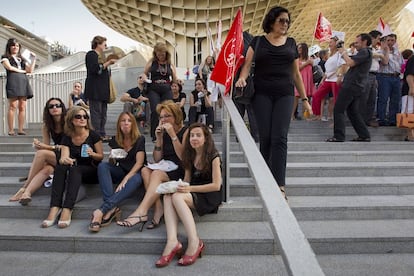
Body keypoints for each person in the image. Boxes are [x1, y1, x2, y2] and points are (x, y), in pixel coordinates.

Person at [235, 6, 312, 200]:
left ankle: (279, 185)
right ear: (271, 21)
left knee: (280, 138)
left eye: (287, 21)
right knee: (267, 137)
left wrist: (305, 100)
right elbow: (246, 66)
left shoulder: (292, 43)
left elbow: (296, 74)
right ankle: (265, 178)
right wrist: (242, 78)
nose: (285, 24)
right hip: (261, 94)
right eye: (281, 20)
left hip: (285, 94)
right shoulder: (258, 41)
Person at [155, 123, 222, 267]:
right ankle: (172, 241)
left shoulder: (214, 156)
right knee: (168, 196)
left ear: (206, 138)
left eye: (198, 135)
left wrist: (189, 188)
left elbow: (216, 185)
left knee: (178, 197)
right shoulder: (189, 156)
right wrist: (177, 186)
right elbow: (186, 180)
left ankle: (195, 241)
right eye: (192, 135)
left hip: (209, 195)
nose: (194, 138)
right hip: (193, 191)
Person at [117, 100, 187, 231]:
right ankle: (158, 207)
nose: (164, 119)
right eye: (161, 117)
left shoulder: (186, 131)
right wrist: (159, 138)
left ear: (176, 116)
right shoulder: (164, 132)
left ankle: (141, 211)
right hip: (167, 167)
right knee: (145, 170)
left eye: (167, 116)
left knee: (156, 173)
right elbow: (158, 158)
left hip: (181, 169)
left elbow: (183, 157)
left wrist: (173, 135)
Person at [41, 106, 103, 228]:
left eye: (85, 116)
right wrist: (65, 159)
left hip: (91, 171)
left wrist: (92, 154)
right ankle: (55, 207)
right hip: (75, 171)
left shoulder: (93, 135)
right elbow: (64, 156)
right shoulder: (67, 137)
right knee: (60, 167)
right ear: (71, 120)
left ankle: (67, 208)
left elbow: (100, 157)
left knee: (75, 168)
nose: (82, 119)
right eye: (78, 116)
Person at [89, 112, 146, 232]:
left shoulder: (140, 139)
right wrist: (111, 157)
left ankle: (101, 210)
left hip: (136, 172)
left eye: (129, 120)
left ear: (133, 124)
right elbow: (112, 163)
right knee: (103, 166)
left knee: (136, 178)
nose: (126, 123)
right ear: (119, 124)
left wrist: (126, 179)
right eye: (123, 120)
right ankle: (111, 207)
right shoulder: (115, 140)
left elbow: (139, 163)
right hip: (121, 170)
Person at [9, 98, 66, 204]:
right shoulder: (47, 126)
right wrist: (39, 145)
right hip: (57, 156)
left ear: (62, 107)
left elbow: (68, 146)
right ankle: (27, 193)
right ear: (47, 110)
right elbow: (46, 145)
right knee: (46, 169)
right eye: (51, 106)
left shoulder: (68, 123)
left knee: (41, 154)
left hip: (69, 155)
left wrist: (46, 148)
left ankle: (23, 188)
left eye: (57, 105)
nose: (55, 108)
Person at [326, 33, 373, 142]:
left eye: (357, 42)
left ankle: (339, 136)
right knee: (352, 112)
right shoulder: (364, 53)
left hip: (352, 85)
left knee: (338, 109)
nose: (355, 44)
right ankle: (364, 135)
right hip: (357, 85)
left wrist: (343, 52)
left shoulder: (365, 52)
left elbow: (350, 63)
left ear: (364, 42)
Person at [84, 35, 117, 140]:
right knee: (96, 113)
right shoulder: (91, 54)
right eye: (104, 44)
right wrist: (107, 63)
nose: (106, 46)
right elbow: (94, 69)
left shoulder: (102, 56)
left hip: (103, 90)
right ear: (98, 44)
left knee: (103, 113)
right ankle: (97, 134)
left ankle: (102, 133)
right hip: (95, 89)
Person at [144, 42, 178, 142]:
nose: (161, 56)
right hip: (154, 88)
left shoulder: (170, 63)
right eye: (158, 54)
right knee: (156, 110)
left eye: (162, 54)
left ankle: (168, 132)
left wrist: (177, 82)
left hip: (166, 88)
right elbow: (144, 73)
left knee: (168, 110)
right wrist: (145, 78)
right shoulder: (152, 62)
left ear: (166, 53)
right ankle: (155, 134)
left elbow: (174, 77)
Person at [1, 38, 35, 136]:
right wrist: (23, 71)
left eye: (17, 46)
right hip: (13, 81)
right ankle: (11, 129)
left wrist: (33, 60)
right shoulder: (5, 57)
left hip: (23, 81)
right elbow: (9, 67)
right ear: (9, 47)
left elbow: (30, 70)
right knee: (13, 106)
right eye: (13, 45)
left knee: (22, 106)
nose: (15, 47)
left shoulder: (22, 58)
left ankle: (20, 129)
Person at [311, 36, 347, 120]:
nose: (329, 44)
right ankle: (317, 115)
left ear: (336, 43)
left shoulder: (339, 54)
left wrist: (339, 75)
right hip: (328, 79)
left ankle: (338, 118)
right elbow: (328, 70)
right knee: (317, 95)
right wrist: (323, 79)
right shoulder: (331, 55)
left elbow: (343, 66)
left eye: (331, 42)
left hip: (335, 80)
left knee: (336, 99)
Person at [376, 34, 403, 126]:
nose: (390, 42)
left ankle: (393, 119)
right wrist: (386, 50)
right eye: (388, 40)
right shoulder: (380, 52)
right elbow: (384, 63)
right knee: (383, 98)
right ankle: (381, 118)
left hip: (396, 77)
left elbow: (401, 64)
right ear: (384, 41)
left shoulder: (398, 52)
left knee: (396, 99)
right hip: (384, 76)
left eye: (392, 40)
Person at [292, 43, 315, 120]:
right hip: (300, 80)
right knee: (296, 97)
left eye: (300, 48)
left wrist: (308, 62)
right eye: (298, 48)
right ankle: (292, 115)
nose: (299, 50)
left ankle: (306, 115)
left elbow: (313, 65)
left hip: (308, 80)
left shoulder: (309, 58)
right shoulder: (297, 59)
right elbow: (297, 69)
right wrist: (306, 63)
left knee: (307, 97)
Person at [400, 51, 414, 141]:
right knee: (409, 112)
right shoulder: (412, 59)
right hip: (410, 90)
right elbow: (409, 75)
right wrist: (412, 87)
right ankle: (409, 135)